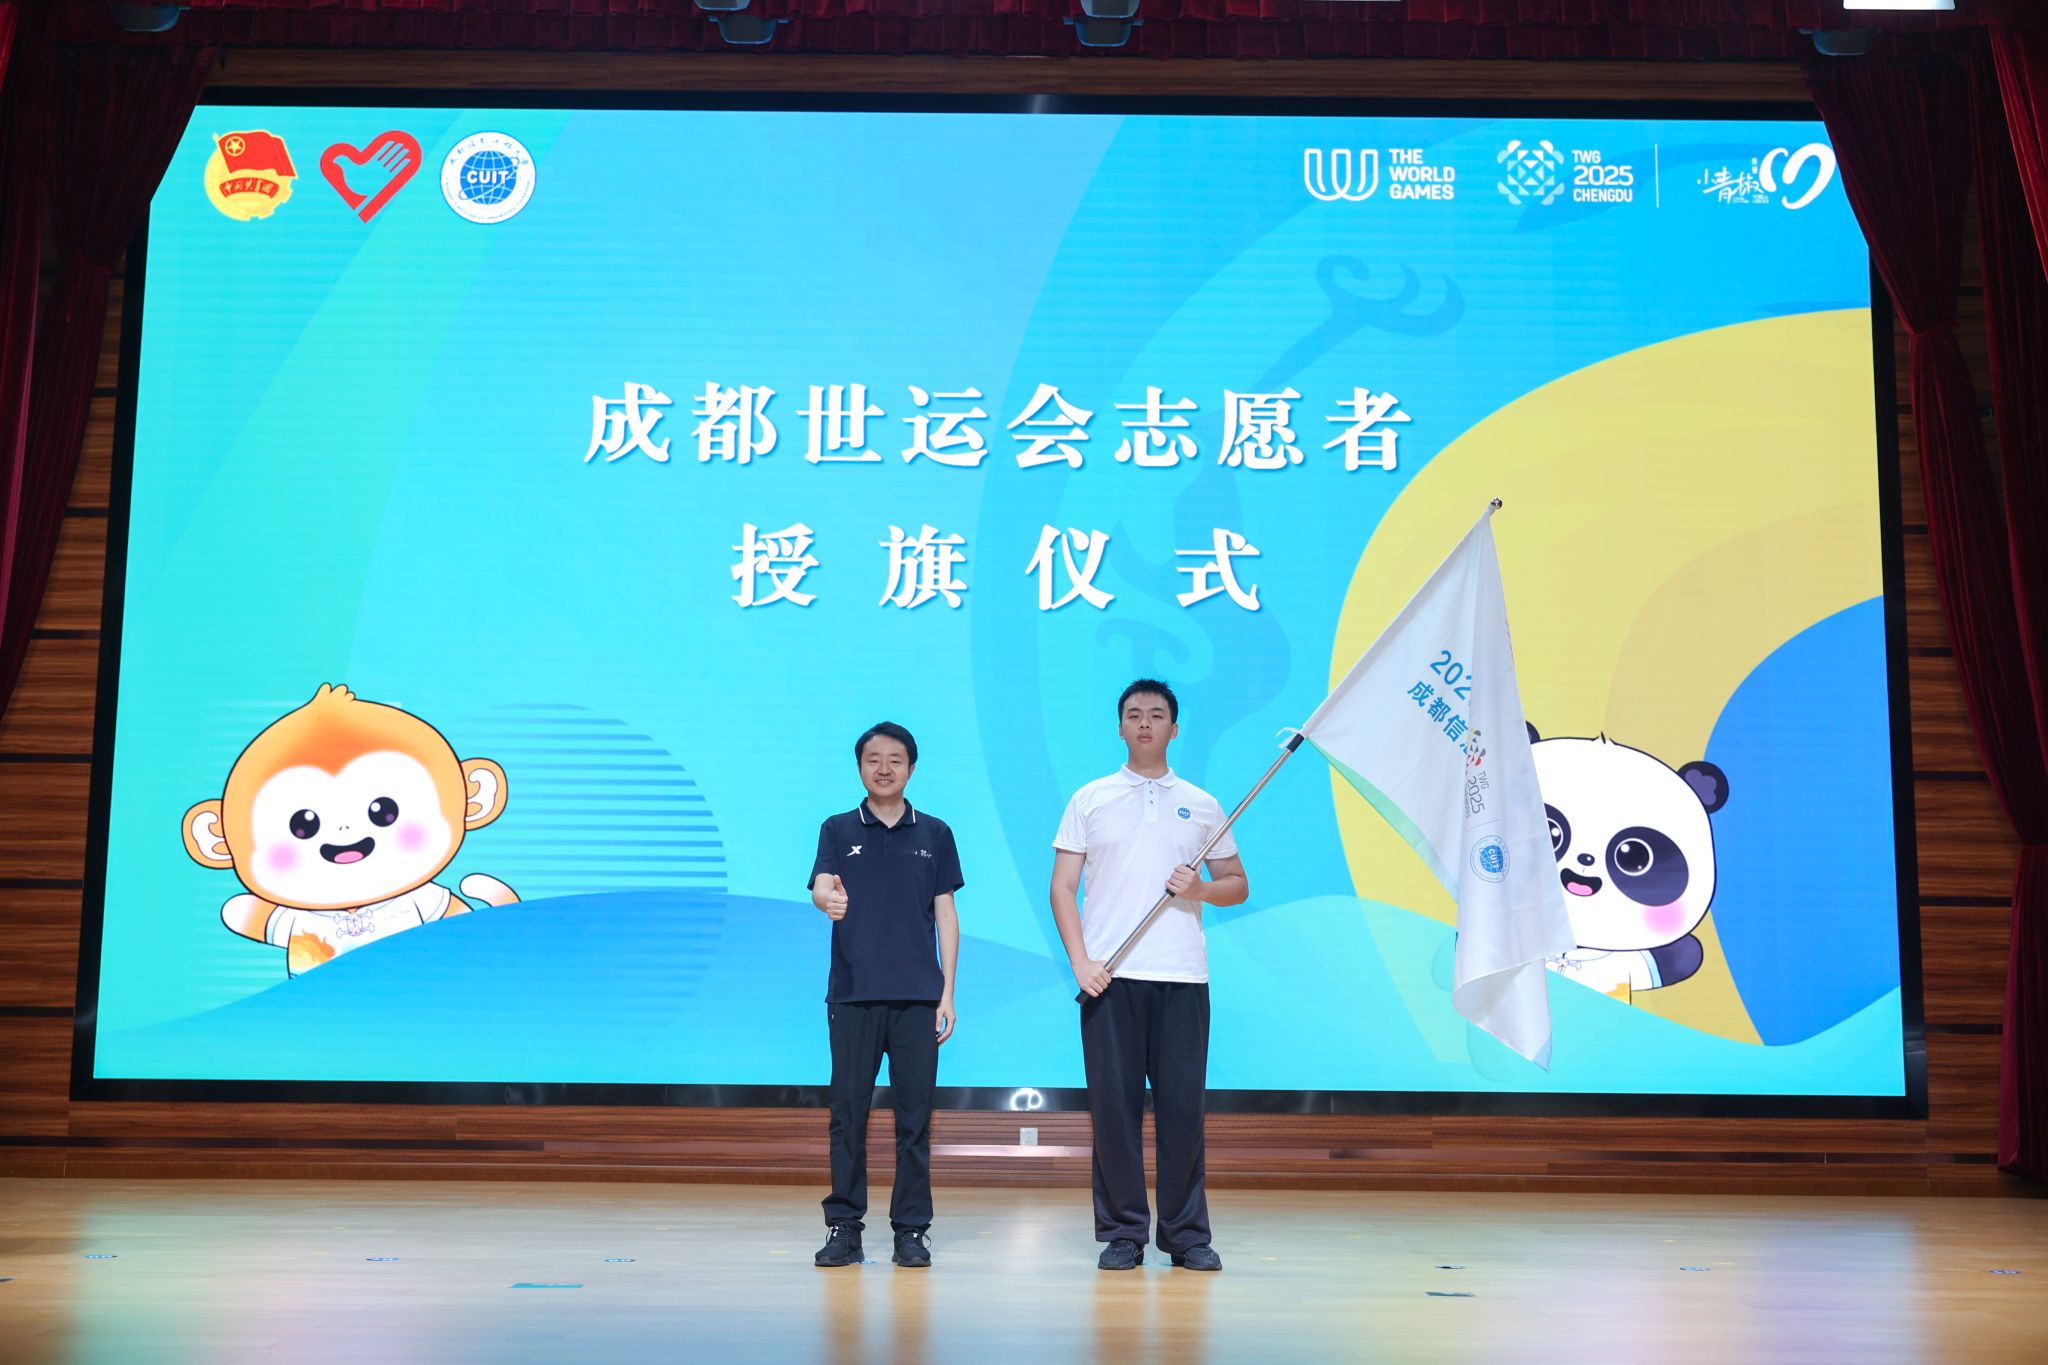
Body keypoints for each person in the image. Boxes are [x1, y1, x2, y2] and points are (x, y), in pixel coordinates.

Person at [1050, 679, 1248, 1273]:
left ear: (1174, 728)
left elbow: (1237, 885)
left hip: (1183, 978)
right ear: (1119, 727)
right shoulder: (1091, 798)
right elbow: (1062, 888)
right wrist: (1081, 962)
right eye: (1134, 714)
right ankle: (1123, 1233)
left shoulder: (1203, 804)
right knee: (1114, 1113)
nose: (1144, 723)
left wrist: (1201, 889)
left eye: (1157, 715)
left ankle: (1186, 1235)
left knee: (1183, 1114)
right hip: (1109, 978)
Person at [809, 721, 962, 1270]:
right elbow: (822, 884)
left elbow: (946, 914)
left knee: (914, 1119)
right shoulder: (837, 827)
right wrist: (825, 899)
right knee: (848, 1114)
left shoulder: (935, 833)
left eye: (895, 759)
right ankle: (844, 1227)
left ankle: (911, 1231)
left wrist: (947, 993)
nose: (884, 768)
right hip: (853, 995)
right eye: (873, 759)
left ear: (911, 769)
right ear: (859, 767)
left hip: (918, 998)